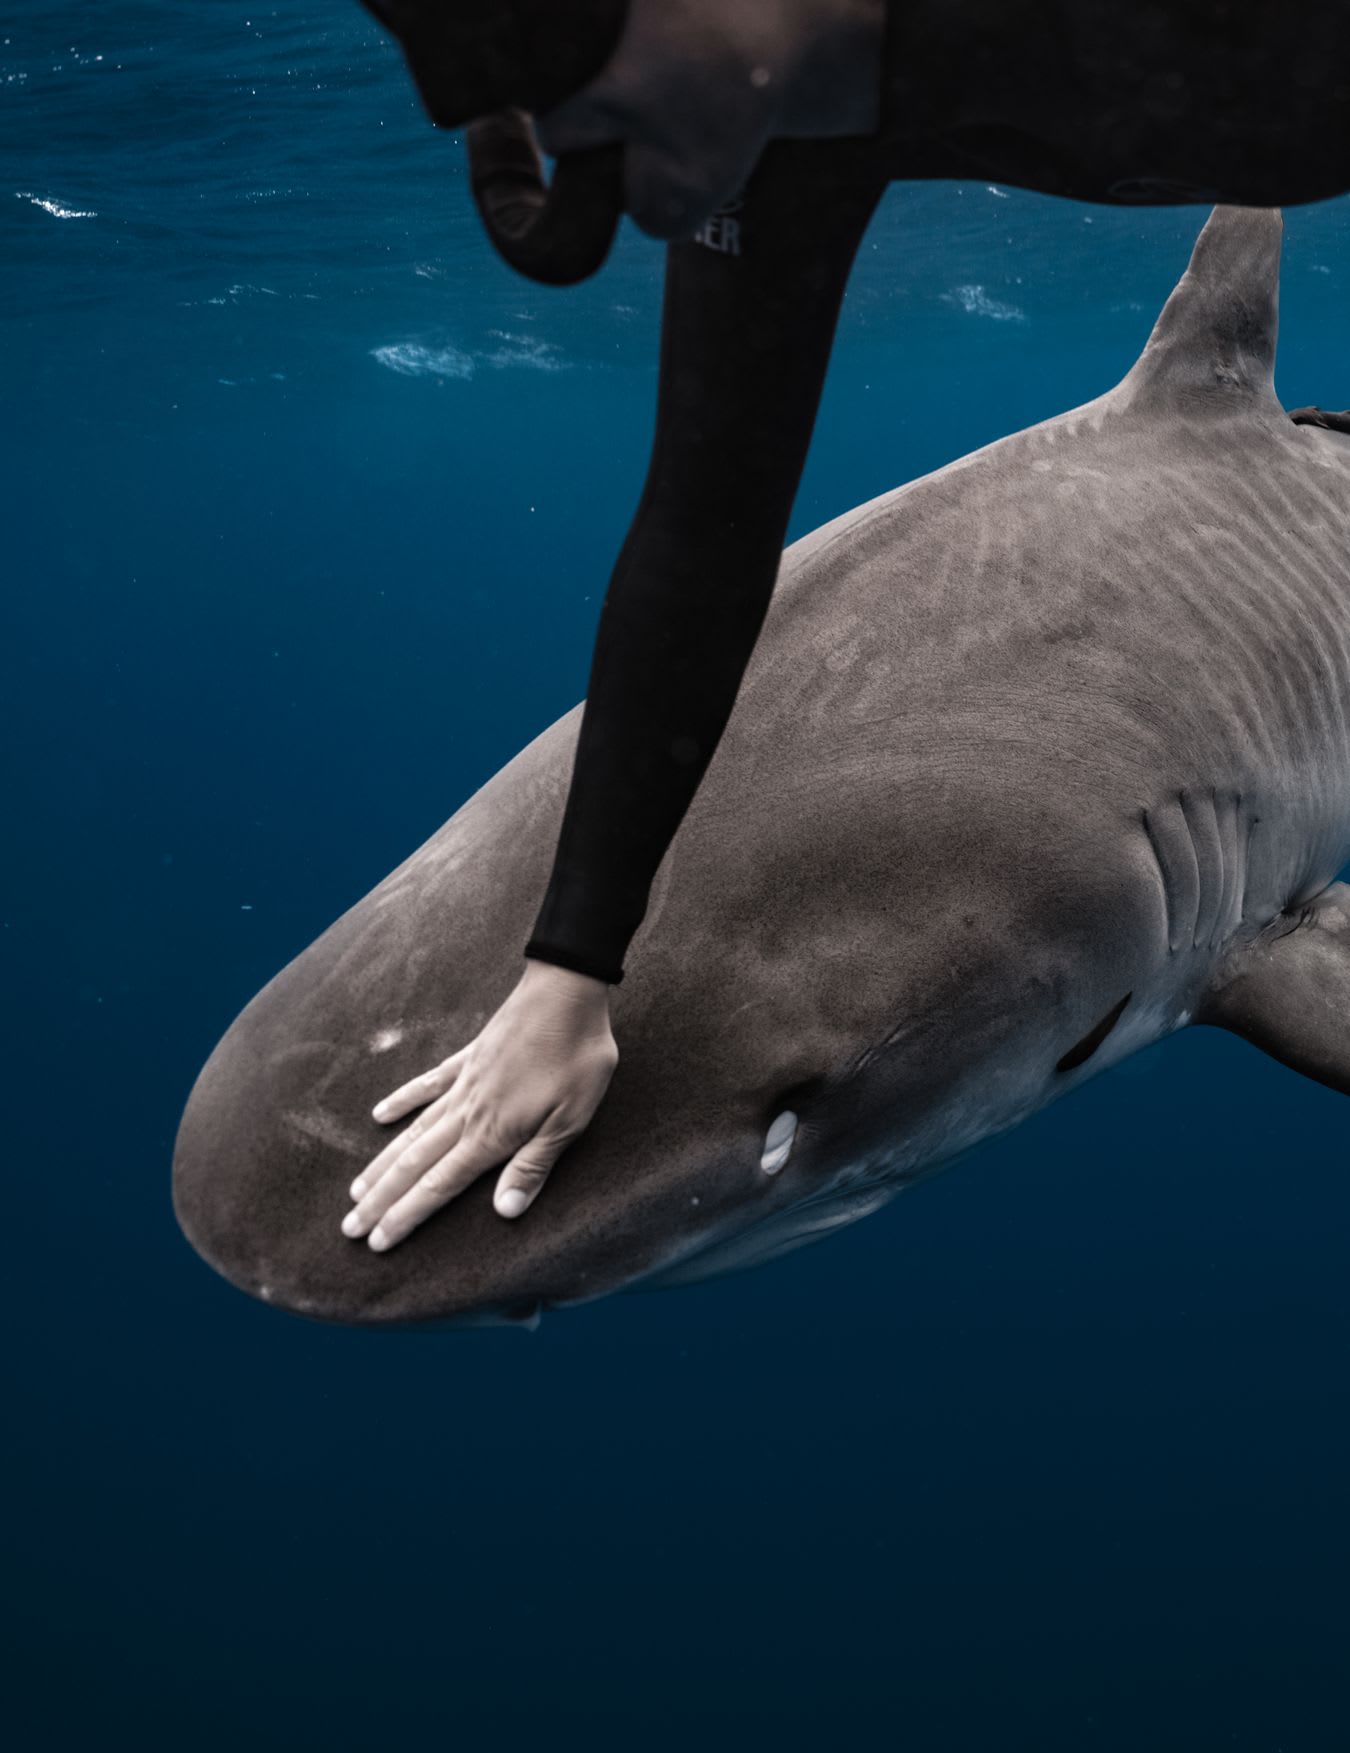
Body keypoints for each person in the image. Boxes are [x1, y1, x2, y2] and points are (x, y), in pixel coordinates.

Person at [342, 0, 1350, 1254]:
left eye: (601, 97)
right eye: (557, 137)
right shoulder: (763, 137)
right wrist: (569, 969)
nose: (613, 166)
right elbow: (700, 537)